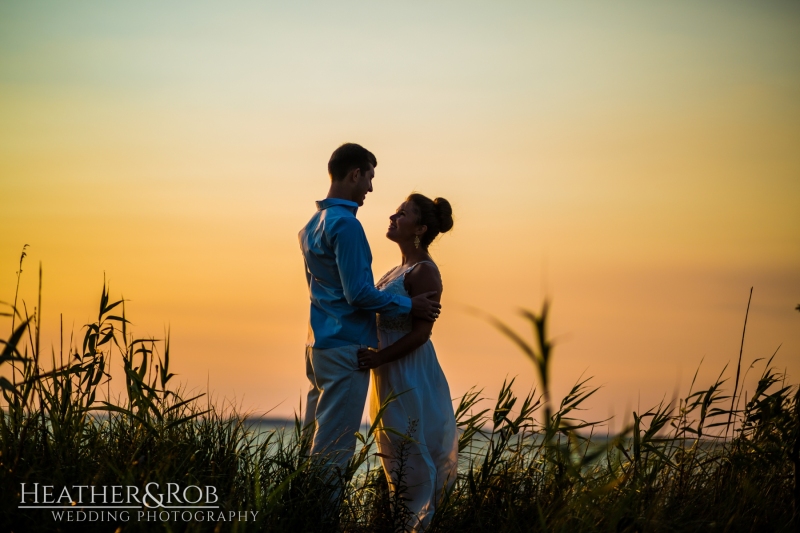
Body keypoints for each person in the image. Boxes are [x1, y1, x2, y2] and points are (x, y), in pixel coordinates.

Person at [298, 143, 442, 477]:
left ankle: (301, 510)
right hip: (347, 346)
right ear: (355, 174)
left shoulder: (311, 225)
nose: (371, 188)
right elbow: (358, 293)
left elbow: (317, 291)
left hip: (318, 344)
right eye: (369, 177)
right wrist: (409, 303)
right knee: (334, 449)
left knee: (311, 443)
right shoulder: (346, 225)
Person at [357, 193, 458, 532]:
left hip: (409, 370)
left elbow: (421, 334)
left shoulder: (425, 271)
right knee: (393, 451)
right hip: (388, 370)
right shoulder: (396, 270)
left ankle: (419, 524)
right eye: (396, 211)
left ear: (421, 228)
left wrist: (379, 358)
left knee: (413, 450)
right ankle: (403, 523)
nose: (393, 216)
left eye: (402, 213)